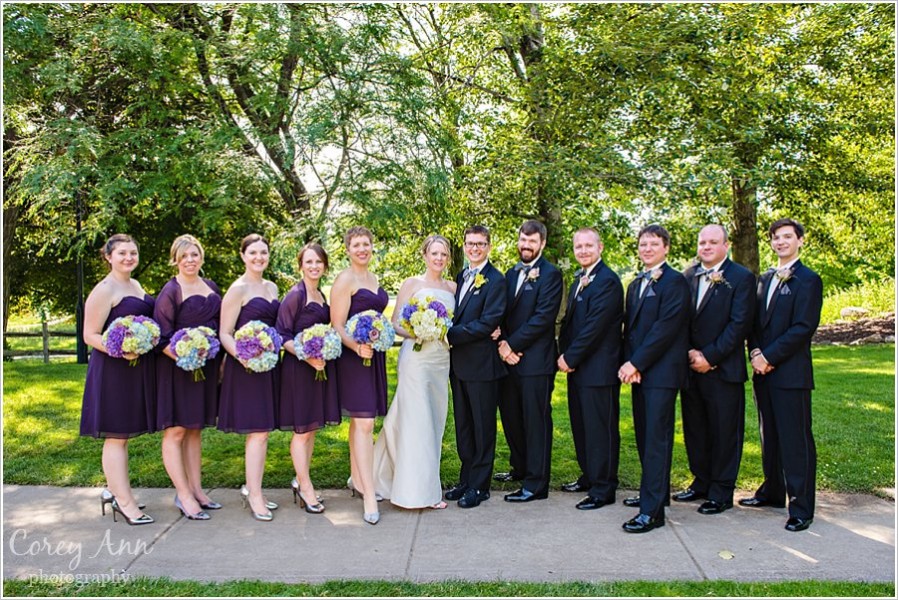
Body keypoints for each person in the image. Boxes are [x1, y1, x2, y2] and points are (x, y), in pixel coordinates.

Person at [743, 218, 822, 532]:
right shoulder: (763, 279)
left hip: (791, 374)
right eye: (776, 237)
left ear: (800, 240)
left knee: (795, 440)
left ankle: (801, 507)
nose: (780, 242)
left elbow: (803, 327)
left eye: (787, 236)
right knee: (770, 436)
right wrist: (755, 353)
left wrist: (770, 356)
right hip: (763, 373)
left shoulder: (809, 280)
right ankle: (772, 491)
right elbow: (753, 324)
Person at [674, 225, 755, 515]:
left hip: (723, 369)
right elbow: (679, 319)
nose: (706, 247)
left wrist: (710, 356)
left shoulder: (742, 278)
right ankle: (701, 480)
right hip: (690, 368)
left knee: (724, 431)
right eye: (702, 242)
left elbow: (739, 324)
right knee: (695, 429)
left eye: (713, 242)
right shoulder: (687, 276)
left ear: (726, 245)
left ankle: (721, 491)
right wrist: (689, 353)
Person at [373, 235, 457, 509]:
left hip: (440, 360)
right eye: (434, 253)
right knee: (417, 421)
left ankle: (380, 476)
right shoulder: (412, 283)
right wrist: (418, 331)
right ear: (425, 255)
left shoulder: (453, 287)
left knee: (434, 420)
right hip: (416, 359)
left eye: (443, 254)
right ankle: (421, 493)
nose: (439, 258)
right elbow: (395, 322)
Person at [80, 234, 156, 525]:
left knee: (124, 435)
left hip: (134, 369)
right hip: (112, 370)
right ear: (108, 257)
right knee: (116, 436)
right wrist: (120, 349)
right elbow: (90, 335)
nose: (128, 257)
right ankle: (124, 503)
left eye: (133, 252)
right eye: (122, 253)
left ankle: (115, 492)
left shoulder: (135, 285)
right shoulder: (104, 289)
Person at [618, 224, 690, 533]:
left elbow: (665, 329)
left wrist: (635, 362)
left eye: (653, 244)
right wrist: (631, 364)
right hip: (640, 374)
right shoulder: (636, 283)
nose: (647, 249)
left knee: (656, 441)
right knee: (645, 438)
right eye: (643, 244)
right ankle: (655, 494)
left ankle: (652, 513)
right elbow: (632, 330)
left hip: (662, 373)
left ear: (666, 248)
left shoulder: (675, 282)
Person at [155, 235, 223, 521]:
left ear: (201, 257)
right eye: (184, 256)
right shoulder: (170, 291)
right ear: (176, 260)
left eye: (194, 254)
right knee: (176, 431)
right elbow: (161, 337)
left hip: (206, 369)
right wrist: (187, 358)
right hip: (178, 369)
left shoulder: (212, 287)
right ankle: (182, 494)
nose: (190, 260)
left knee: (195, 429)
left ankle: (197, 490)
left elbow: (219, 326)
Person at [494, 220, 563, 503]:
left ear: (542, 243)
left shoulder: (551, 275)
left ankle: (536, 484)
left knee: (535, 421)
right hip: (508, 359)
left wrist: (511, 344)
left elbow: (543, 318)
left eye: (532, 241)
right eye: (523, 239)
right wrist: (503, 344)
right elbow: (502, 312)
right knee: (512, 418)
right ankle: (520, 468)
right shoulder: (510, 273)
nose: (526, 245)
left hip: (536, 361)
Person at [557, 227, 624, 510]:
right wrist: (564, 353)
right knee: (582, 426)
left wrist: (569, 357)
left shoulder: (607, 281)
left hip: (599, 370)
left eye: (588, 245)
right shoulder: (580, 279)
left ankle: (603, 488)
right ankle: (589, 476)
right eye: (579, 246)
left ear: (600, 247)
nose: (583, 251)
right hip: (580, 370)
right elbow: (571, 324)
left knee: (600, 430)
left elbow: (594, 327)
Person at [218, 234, 280, 522]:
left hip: (268, 366)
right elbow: (225, 333)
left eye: (263, 252)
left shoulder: (272, 287)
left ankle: (255, 489)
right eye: (253, 252)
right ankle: (254, 494)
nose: (259, 257)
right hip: (245, 367)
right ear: (243, 255)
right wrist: (245, 357)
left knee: (264, 431)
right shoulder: (237, 290)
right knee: (257, 431)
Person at [444, 225, 507, 509]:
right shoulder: (462, 276)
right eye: (470, 243)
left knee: (482, 429)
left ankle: (480, 486)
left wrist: (449, 334)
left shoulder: (496, 280)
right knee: (464, 428)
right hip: (459, 366)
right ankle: (466, 479)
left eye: (480, 244)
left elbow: (488, 322)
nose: (475, 248)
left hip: (482, 367)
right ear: (465, 246)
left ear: (489, 246)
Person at [331, 226, 389, 525]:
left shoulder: (374, 279)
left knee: (361, 423)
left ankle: (357, 480)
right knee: (365, 423)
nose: (362, 249)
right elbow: (337, 325)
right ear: (348, 250)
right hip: (353, 358)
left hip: (373, 357)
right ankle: (369, 495)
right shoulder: (345, 280)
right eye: (356, 245)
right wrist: (356, 347)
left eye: (366, 244)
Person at [277, 243, 340, 515]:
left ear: (325, 266)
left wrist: (323, 352)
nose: (314, 266)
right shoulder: (295, 296)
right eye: (309, 262)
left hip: (317, 369)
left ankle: (301, 479)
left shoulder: (320, 294)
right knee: (302, 431)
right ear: (301, 265)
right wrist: (307, 356)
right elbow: (282, 334)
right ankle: (305, 487)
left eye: (318, 262)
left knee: (311, 428)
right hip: (299, 370)